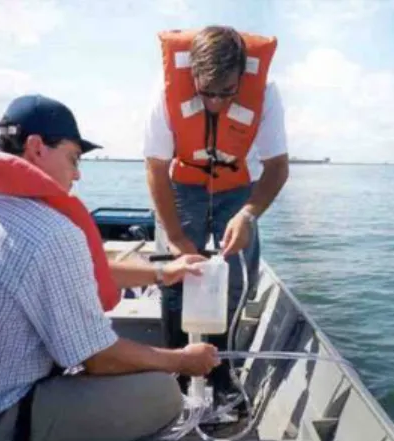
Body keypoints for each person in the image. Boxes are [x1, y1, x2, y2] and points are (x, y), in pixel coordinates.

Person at [0, 94, 220, 441]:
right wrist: (182, 360)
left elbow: (83, 269)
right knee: (161, 393)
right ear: (36, 147)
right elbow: (100, 359)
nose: (78, 174)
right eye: (73, 158)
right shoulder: (49, 231)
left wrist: (162, 273)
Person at [143, 26, 289, 404]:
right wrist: (176, 238)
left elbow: (277, 167)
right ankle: (178, 370)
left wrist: (249, 215)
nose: (217, 103)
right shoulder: (164, 95)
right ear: (192, 75)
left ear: (243, 76)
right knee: (176, 276)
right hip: (183, 187)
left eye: (228, 92)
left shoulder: (267, 95)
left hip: (238, 188)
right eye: (207, 92)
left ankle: (223, 370)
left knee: (238, 280)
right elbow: (156, 168)